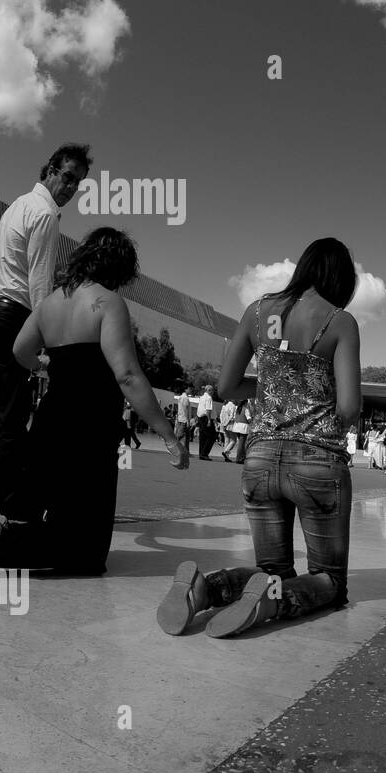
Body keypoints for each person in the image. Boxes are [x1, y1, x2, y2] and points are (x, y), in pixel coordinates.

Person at [156, 237, 361, 638]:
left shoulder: (256, 312)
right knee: (330, 581)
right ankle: (274, 602)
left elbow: (227, 386)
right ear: (341, 278)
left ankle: (205, 589)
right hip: (317, 462)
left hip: (260, 457)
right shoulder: (340, 321)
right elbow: (349, 408)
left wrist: (271, 388)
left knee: (272, 570)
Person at [0, 228, 188, 574]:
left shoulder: (50, 302)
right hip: (91, 428)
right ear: (119, 268)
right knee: (88, 555)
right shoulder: (108, 303)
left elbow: (20, 351)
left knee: (50, 515)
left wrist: (44, 363)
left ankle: (9, 539)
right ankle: (4, 547)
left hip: (50, 420)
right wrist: (169, 437)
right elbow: (127, 375)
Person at [0, 144, 90, 515]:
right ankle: (13, 503)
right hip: (14, 314)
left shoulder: (17, 206)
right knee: (12, 414)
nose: (72, 187)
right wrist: (47, 341)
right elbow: (40, 283)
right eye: (68, 177)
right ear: (50, 171)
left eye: (78, 182)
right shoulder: (46, 214)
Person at [196, 384, 216, 460]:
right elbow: (208, 410)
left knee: (203, 436)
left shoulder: (202, 397)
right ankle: (204, 453)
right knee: (212, 436)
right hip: (205, 418)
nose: (213, 392)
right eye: (212, 390)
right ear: (209, 391)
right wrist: (209, 420)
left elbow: (200, 408)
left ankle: (201, 453)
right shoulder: (209, 398)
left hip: (200, 417)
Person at [173, 386, 193, 455]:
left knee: (187, 436)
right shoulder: (185, 398)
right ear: (185, 389)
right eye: (189, 389)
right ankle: (173, 447)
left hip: (181, 418)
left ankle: (186, 452)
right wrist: (188, 420)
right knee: (180, 435)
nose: (190, 390)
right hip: (184, 419)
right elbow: (186, 410)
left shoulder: (181, 397)